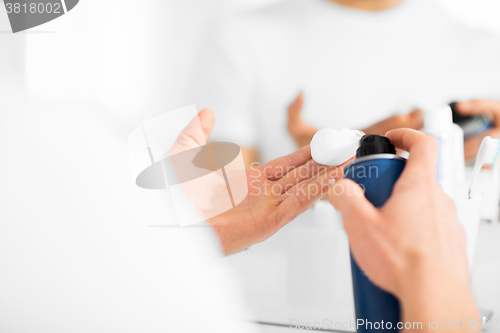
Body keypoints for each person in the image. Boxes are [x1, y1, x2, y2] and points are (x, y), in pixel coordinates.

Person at [187, 0, 500, 166]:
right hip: (292, 280)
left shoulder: (487, 51)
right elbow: (218, 209)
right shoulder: (240, 37)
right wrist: (319, 168)